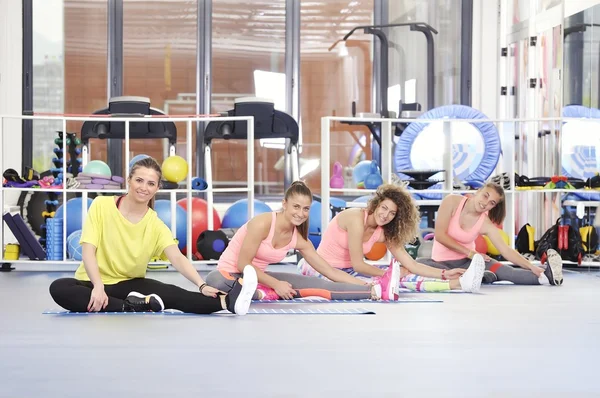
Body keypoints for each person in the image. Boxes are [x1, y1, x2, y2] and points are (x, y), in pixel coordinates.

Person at [49, 157, 258, 315]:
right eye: (139, 180)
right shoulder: (101, 206)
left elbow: (177, 258)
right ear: (129, 180)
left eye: (150, 183)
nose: (143, 187)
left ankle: (226, 302)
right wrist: (98, 287)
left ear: (157, 188)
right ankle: (132, 305)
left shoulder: (155, 224)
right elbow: (88, 251)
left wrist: (201, 285)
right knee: (59, 288)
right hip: (91, 282)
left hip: (130, 284)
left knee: (174, 294)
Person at [206, 181, 401, 301]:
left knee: (318, 284)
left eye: (305, 209)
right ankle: (261, 293)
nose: (301, 213)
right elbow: (243, 264)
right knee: (214, 281)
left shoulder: (299, 239)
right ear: (284, 204)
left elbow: (330, 271)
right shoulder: (263, 223)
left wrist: (365, 286)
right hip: (230, 274)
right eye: (296, 207)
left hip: (259, 278)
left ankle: (376, 292)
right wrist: (276, 284)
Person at [298, 184, 486, 293]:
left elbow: (412, 264)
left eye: (392, 213)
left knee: (402, 279)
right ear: (376, 205)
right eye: (384, 208)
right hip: (322, 269)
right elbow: (358, 265)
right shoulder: (355, 217)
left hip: (348, 271)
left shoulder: (384, 231)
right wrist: (390, 275)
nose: (386, 215)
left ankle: (459, 283)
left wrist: (444, 274)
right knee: (378, 283)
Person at [416, 182, 564, 286]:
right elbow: (441, 236)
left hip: (469, 263)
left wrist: (532, 266)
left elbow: (505, 250)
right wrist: (471, 253)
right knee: (414, 267)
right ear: (478, 191)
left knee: (507, 272)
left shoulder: (485, 223)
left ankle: (546, 277)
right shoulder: (452, 201)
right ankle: (483, 277)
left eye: (492, 203)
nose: (485, 203)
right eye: (485, 196)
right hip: (439, 263)